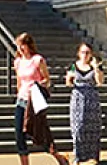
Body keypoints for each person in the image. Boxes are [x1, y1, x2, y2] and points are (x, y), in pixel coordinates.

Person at [13, 32, 69, 165]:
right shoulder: (18, 62)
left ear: (28, 45)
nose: (20, 49)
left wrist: (38, 86)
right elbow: (19, 80)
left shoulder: (38, 60)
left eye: (22, 46)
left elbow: (46, 79)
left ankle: (59, 157)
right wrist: (19, 93)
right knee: (19, 135)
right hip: (22, 101)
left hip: (34, 102)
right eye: (18, 46)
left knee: (41, 133)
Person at [65, 42, 104, 165]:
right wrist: (70, 78)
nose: (85, 55)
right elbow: (68, 83)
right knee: (77, 128)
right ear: (78, 53)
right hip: (77, 99)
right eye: (83, 52)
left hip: (91, 99)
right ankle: (78, 156)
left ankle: (93, 157)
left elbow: (100, 82)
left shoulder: (96, 66)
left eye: (87, 53)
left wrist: (96, 68)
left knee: (93, 128)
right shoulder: (73, 66)